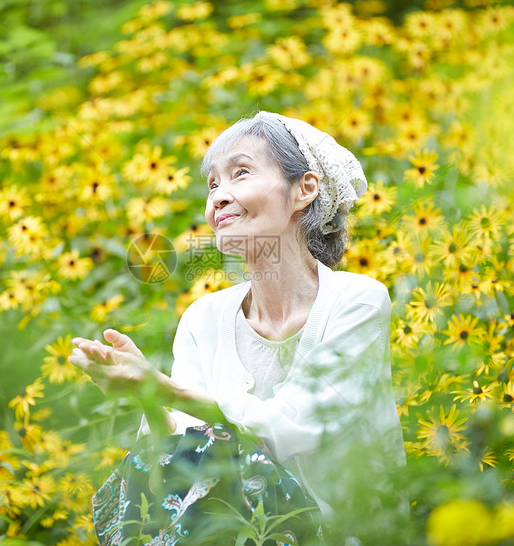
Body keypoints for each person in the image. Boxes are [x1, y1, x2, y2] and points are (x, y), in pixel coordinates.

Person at [70, 111, 406, 545]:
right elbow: (181, 456)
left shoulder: (357, 301)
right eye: (213, 184)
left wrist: (165, 389)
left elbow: (291, 427)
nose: (218, 198)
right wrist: (149, 399)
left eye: (240, 173)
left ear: (304, 189)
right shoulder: (203, 318)